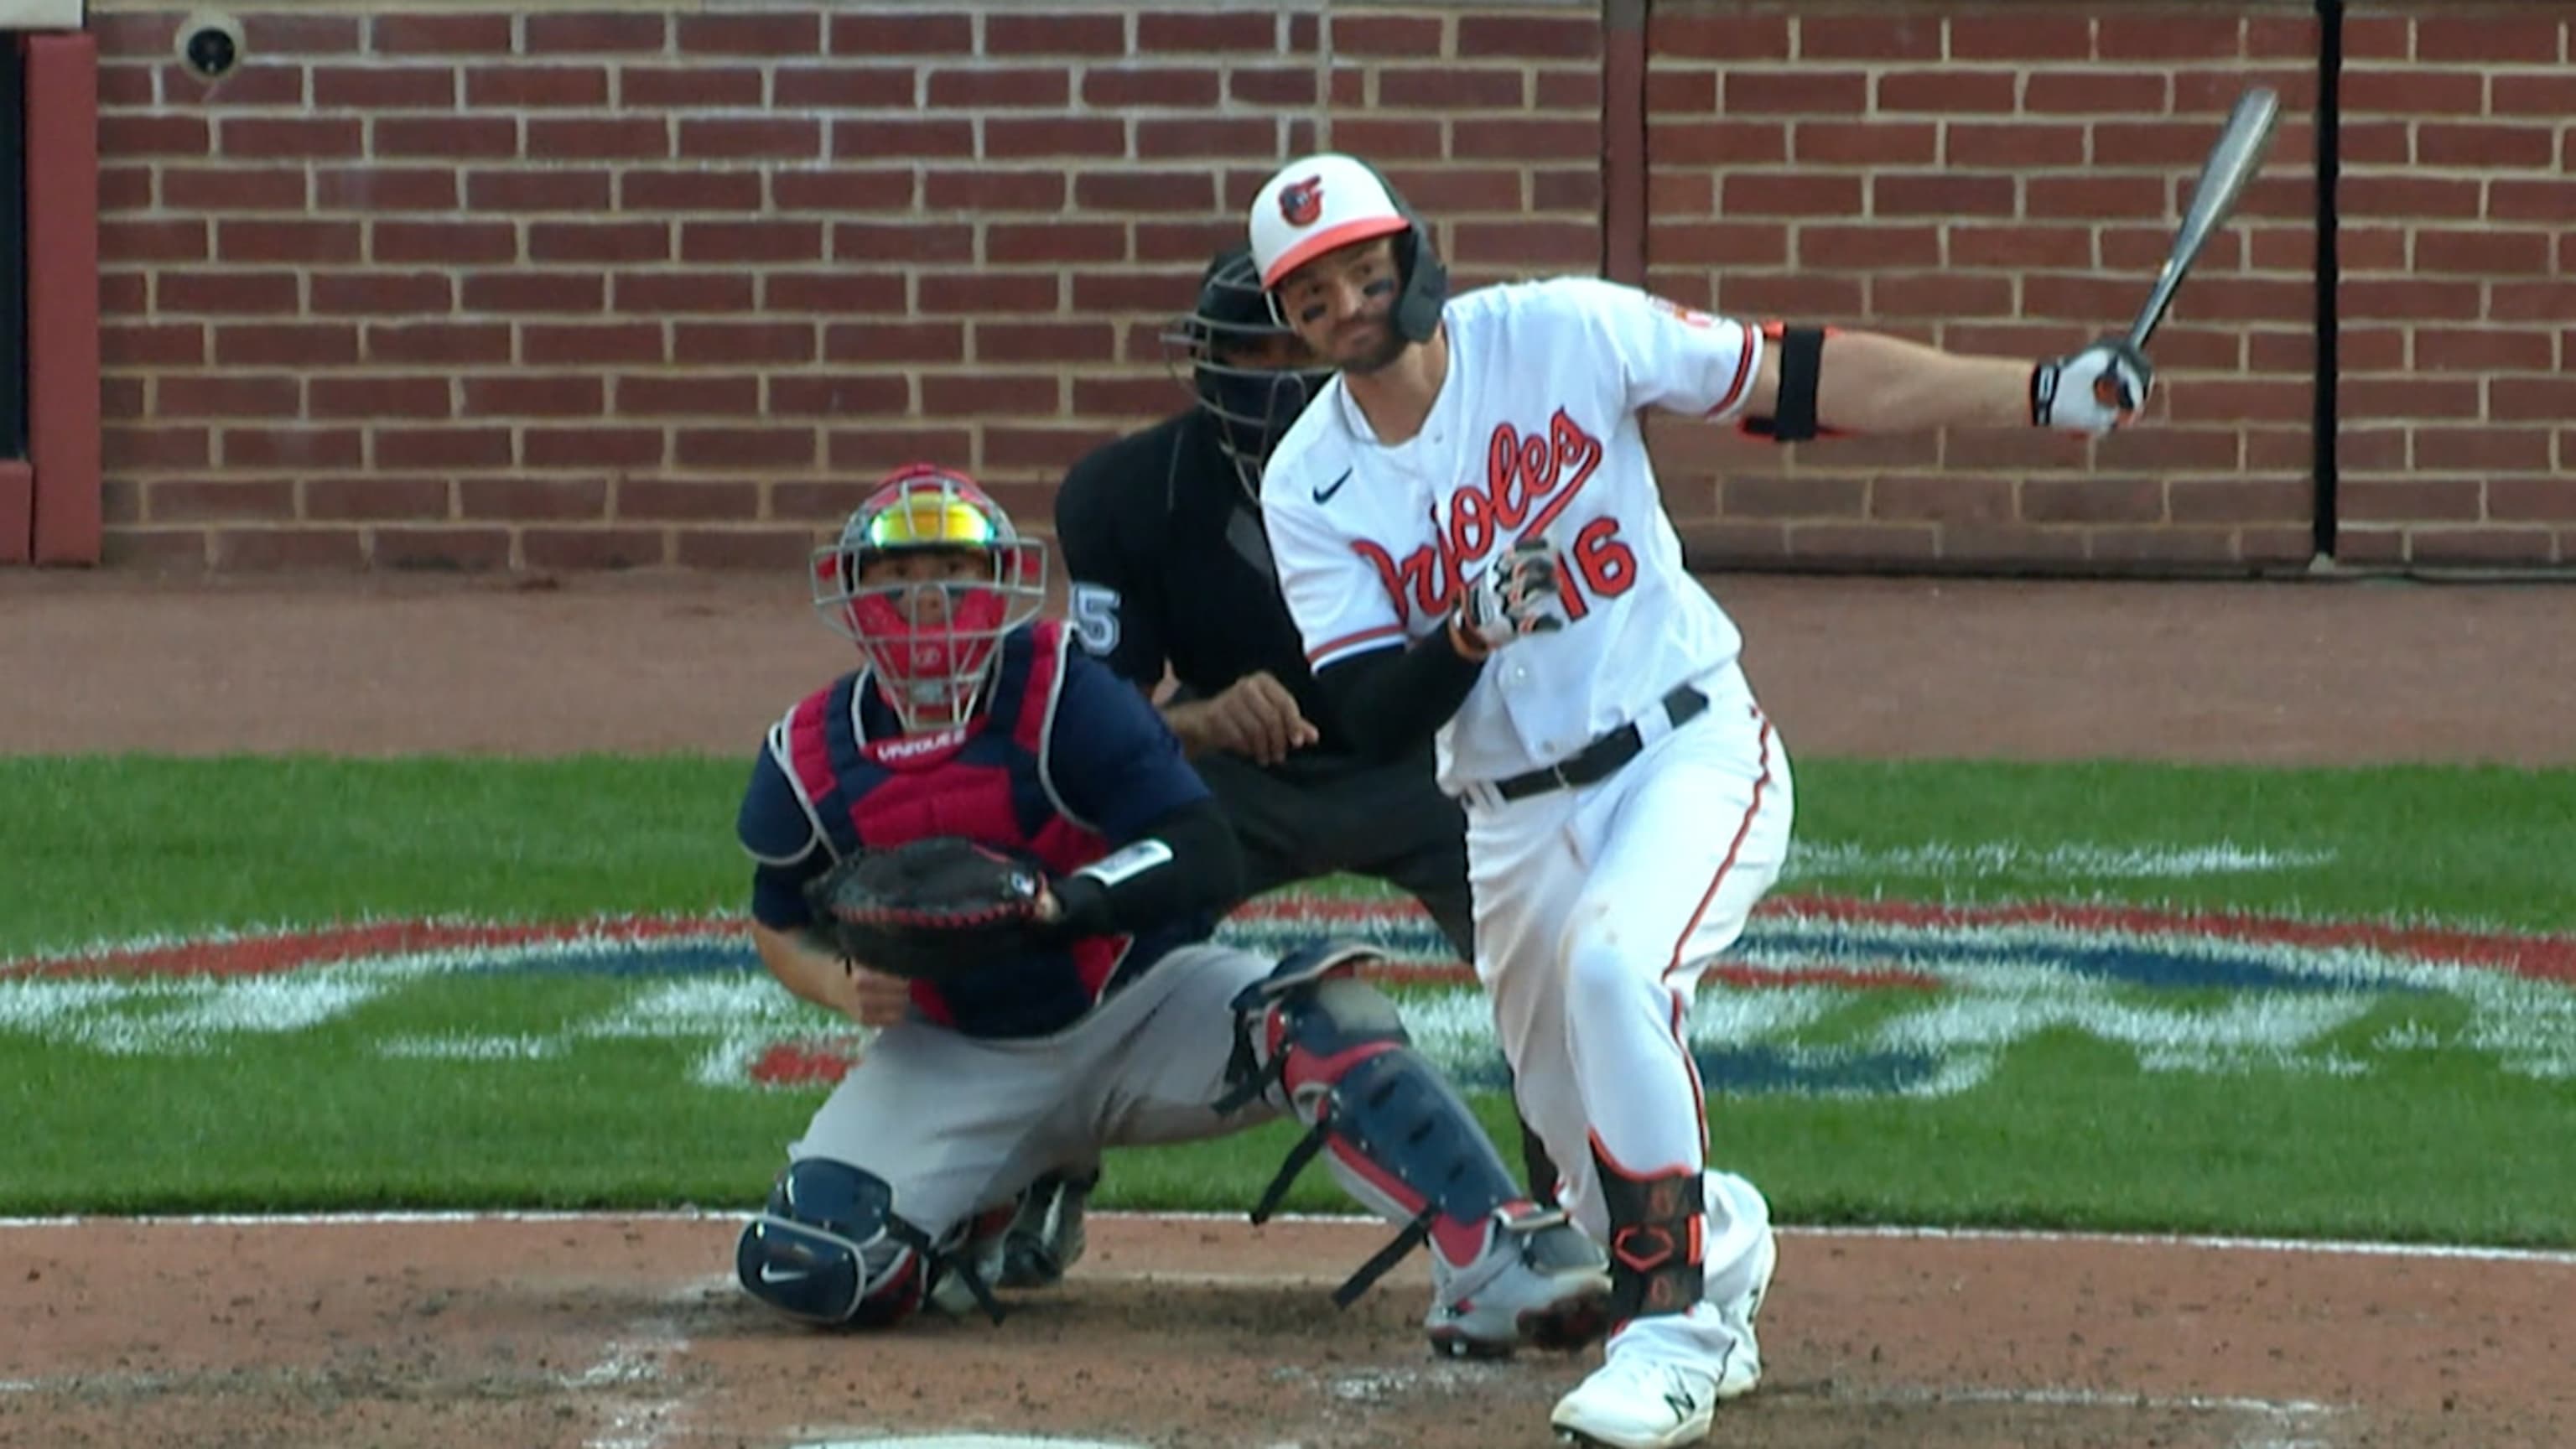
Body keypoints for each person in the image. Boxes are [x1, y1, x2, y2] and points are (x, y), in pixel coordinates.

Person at [1240, 153, 2156, 1449]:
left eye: (1358, 266)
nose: (1345, 301)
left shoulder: (1562, 331)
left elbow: (1795, 377)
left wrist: (2037, 391)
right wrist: (1463, 632)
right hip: (1508, 819)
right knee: (1578, 1155)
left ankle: (1670, 1338)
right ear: (1287, 318)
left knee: (1621, 973)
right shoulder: (1309, 483)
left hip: (1684, 748)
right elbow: (1366, 714)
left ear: (1411, 250)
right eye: (1310, 289)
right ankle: (1718, 1243)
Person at [725, 460, 1613, 1359]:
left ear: (999, 585)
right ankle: (987, 1207)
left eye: (950, 572)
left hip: (1134, 1001)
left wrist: (1066, 905)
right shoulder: (809, 752)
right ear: (852, 591)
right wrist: (839, 986)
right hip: (955, 1050)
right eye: (898, 576)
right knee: (814, 1264)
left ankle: (1497, 1254)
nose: (926, 600)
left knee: (1326, 1017)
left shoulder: (1061, 688)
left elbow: (1200, 844)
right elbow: (777, 916)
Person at [1035, 247, 1567, 1286]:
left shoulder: (1452, 463)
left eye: (1299, 346)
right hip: (1245, 779)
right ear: (1204, 362)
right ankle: (1041, 1174)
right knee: (1089, 892)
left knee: (1551, 959)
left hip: (1433, 763)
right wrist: (1201, 722)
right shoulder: (1123, 495)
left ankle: (1576, 1217)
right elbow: (1093, 718)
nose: (1280, 374)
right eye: (1254, 346)